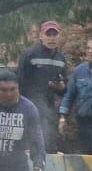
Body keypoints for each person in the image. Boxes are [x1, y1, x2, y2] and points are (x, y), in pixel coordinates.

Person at [16, 21, 68, 152]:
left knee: (49, 130)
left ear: (59, 37)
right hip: (30, 101)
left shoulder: (61, 59)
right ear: (41, 36)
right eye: (48, 34)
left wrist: (61, 87)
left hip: (50, 101)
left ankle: (48, 157)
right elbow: (20, 80)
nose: (51, 38)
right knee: (41, 127)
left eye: (54, 35)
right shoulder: (30, 54)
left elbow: (64, 85)